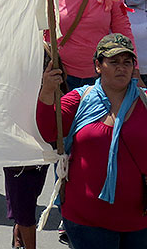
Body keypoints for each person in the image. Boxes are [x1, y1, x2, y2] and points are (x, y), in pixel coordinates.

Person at [38, 33, 147, 247]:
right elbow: (50, 132)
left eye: (127, 62)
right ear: (98, 65)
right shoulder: (80, 99)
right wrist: (48, 90)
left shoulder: (145, 101)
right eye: (113, 61)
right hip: (86, 221)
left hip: (139, 221)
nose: (121, 67)